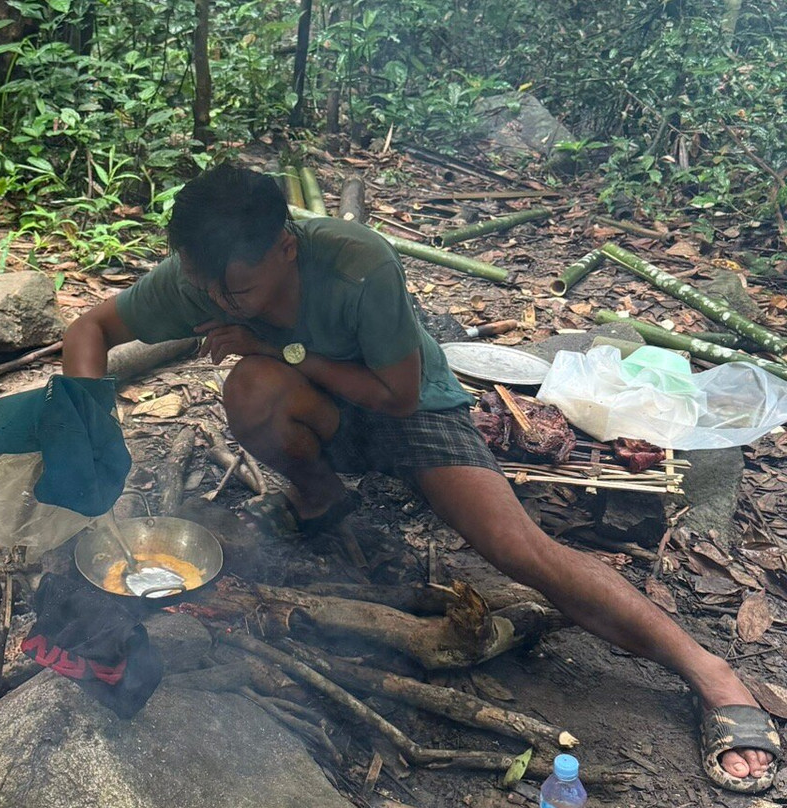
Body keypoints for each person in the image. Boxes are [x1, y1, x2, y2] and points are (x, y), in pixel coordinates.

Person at [60, 164, 780, 793]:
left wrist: (279, 343)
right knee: (251, 388)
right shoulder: (207, 276)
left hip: (410, 408)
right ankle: (322, 499)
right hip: (321, 410)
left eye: (240, 288)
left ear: (285, 246)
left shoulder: (355, 264)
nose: (218, 300)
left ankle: (709, 671)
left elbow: (397, 397)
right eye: (201, 284)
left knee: (516, 549)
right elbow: (87, 331)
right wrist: (90, 426)